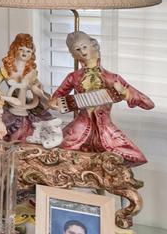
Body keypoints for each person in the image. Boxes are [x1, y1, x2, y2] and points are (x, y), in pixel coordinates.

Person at [53, 30, 155, 167]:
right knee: (56, 154)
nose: (82, 52)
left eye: (84, 46)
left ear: (93, 45)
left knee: (134, 156)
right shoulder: (73, 77)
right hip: (81, 127)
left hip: (106, 128)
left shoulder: (112, 78)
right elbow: (55, 99)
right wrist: (56, 103)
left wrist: (124, 92)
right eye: (77, 49)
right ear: (73, 54)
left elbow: (148, 104)